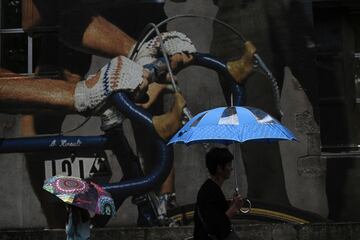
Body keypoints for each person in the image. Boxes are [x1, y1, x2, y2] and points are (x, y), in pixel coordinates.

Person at [193, 147, 243, 240]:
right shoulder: (210, 191)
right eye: (228, 165)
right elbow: (218, 226)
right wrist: (234, 208)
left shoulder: (212, 188)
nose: (231, 168)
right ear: (219, 168)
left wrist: (230, 205)